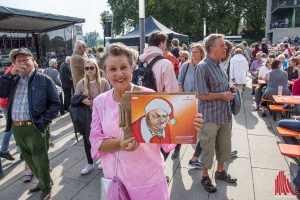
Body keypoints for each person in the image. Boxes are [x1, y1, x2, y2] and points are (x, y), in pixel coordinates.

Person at [89, 42, 204, 200]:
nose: (119, 73)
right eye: (113, 69)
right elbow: (95, 142)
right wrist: (119, 143)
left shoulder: (148, 96)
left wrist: (190, 124)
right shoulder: (100, 102)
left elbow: (168, 138)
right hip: (117, 183)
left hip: (150, 182)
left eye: (123, 67)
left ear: (132, 67)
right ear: (105, 73)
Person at [0, 48, 61, 200]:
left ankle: (47, 187)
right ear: (14, 64)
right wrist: (9, 74)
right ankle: (42, 181)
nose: (22, 63)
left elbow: (55, 104)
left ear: (33, 61)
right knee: (27, 158)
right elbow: (1, 92)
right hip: (16, 126)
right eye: (18, 61)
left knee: (40, 159)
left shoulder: (44, 79)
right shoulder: (13, 79)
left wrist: (43, 122)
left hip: (35, 127)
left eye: (25, 59)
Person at [195, 34, 237, 193]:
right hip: (209, 117)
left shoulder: (219, 65)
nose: (225, 47)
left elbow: (220, 88)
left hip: (224, 115)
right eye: (222, 45)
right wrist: (222, 95)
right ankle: (205, 176)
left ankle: (220, 172)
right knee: (208, 148)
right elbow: (200, 94)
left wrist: (229, 90)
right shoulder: (202, 67)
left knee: (224, 146)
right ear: (211, 48)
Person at [139, 32, 179, 160]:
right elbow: (173, 92)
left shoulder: (140, 61)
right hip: (160, 111)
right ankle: (158, 172)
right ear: (161, 43)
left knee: (146, 144)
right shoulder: (165, 63)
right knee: (163, 145)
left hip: (141, 109)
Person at [73, 58, 110, 175]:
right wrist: (83, 100)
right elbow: (74, 99)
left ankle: (103, 160)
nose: (89, 70)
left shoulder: (103, 82)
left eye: (91, 68)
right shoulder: (81, 83)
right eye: (86, 68)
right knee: (87, 139)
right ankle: (90, 163)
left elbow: (109, 98)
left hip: (102, 115)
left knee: (103, 138)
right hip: (86, 116)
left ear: (96, 69)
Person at [176, 43, 205, 162]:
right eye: (192, 51)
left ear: (201, 53)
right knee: (183, 126)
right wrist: (183, 97)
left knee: (200, 127)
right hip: (187, 100)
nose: (193, 54)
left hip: (201, 100)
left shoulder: (204, 66)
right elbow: (180, 82)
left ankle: (197, 155)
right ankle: (177, 148)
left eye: (196, 52)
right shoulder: (185, 66)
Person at [0, 49, 16, 161]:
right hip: (7, 104)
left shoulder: (11, 70)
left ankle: (20, 150)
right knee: (11, 127)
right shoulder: (11, 71)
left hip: (6, 104)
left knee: (13, 126)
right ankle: (4, 150)